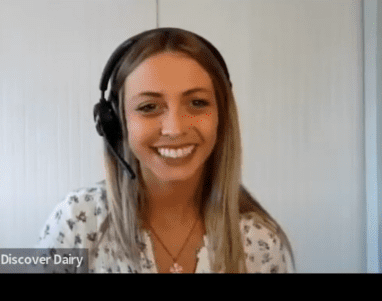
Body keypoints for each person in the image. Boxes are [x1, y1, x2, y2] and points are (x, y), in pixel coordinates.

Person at [36, 27, 294, 273]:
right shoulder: (79, 222)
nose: (174, 129)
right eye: (149, 107)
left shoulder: (260, 241)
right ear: (115, 122)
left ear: (222, 117)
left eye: (197, 102)